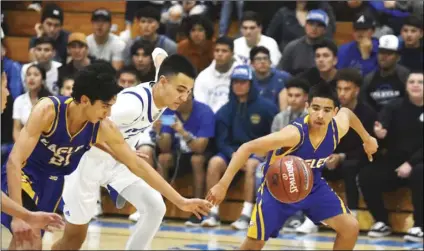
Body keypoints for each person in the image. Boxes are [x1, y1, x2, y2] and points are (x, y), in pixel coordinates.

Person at [2, 60, 210, 250]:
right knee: (27, 241)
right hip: (30, 174)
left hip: (55, 179)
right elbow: (14, 161)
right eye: (105, 106)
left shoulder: (103, 125)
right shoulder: (49, 110)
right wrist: (19, 214)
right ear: (85, 100)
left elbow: (138, 166)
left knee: (46, 242)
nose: (110, 113)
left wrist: (180, 201)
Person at [206, 83, 378, 250]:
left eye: (326, 110)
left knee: (350, 227)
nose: (320, 115)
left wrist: (367, 139)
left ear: (334, 112)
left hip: (312, 186)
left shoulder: (337, 127)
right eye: (315, 108)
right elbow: (247, 147)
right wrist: (222, 184)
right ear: (307, 107)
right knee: (254, 245)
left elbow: (348, 114)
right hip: (277, 189)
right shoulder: (294, 134)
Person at [1, 61, 64, 245]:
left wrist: (24, 216)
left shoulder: (51, 104)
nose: (7, 93)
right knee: (27, 236)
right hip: (25, 166)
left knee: (30, 235)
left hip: (45, 168)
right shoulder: (21, 101)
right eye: (4, 86)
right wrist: (23, 216)